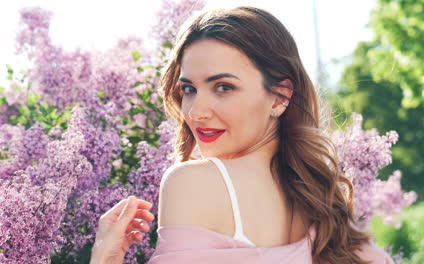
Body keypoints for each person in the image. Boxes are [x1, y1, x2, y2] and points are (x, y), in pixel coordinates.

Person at [90, 6, 395, 264]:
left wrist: (104, 257)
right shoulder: (326, 209)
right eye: (188, 89)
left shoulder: (193, 183)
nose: (196, 111)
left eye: (223, 87)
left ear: (279, 97)